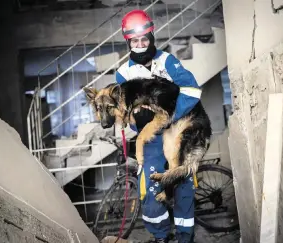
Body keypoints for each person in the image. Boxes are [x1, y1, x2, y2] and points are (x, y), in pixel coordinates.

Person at [115, 9, 202, 243]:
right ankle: (161, 237)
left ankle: (185, 238)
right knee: (150, 192)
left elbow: (192, 91)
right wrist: (137, 124)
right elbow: (128, 113)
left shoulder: (167, 62)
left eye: (144, 39)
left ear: (151, 37)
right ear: (128, 41)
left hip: (177, 134)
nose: (141, 44)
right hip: (152, 141)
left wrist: (171, 116)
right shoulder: (123, 74)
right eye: (135, 40)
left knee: (183, 186)